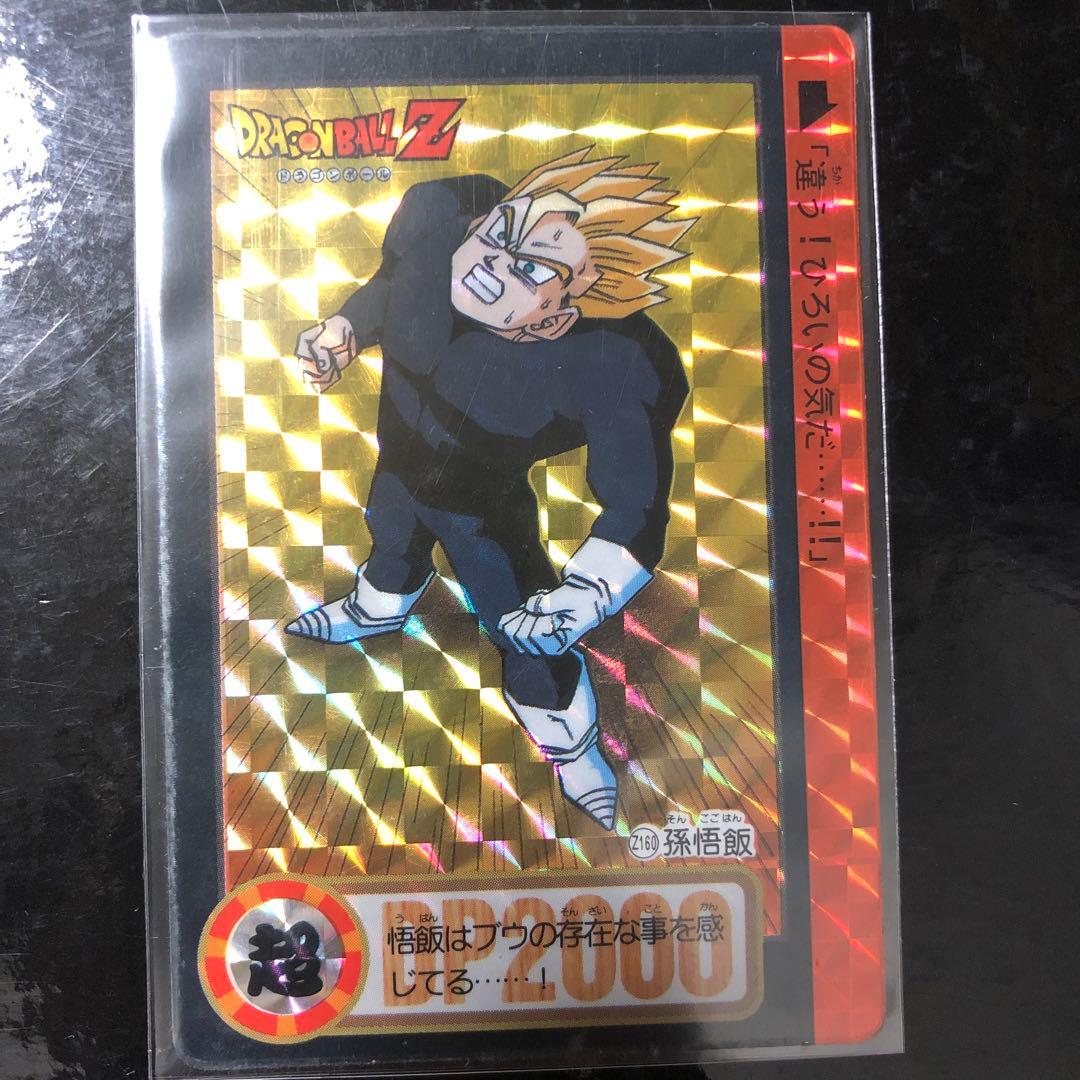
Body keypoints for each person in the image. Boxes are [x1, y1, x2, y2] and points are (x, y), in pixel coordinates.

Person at [286, 147, 696, 830]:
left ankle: (572, 748)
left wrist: (581, 597)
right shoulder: (439, 221)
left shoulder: (614, 362)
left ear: (559, 315)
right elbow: (394, 286)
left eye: (531, 269)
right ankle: (379, 606)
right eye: (500, 231)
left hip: (483, 508)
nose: (492, 262)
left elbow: (636, 503)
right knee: (391, 530)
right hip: (399, 456)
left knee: (528, 635)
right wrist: (346, 329)